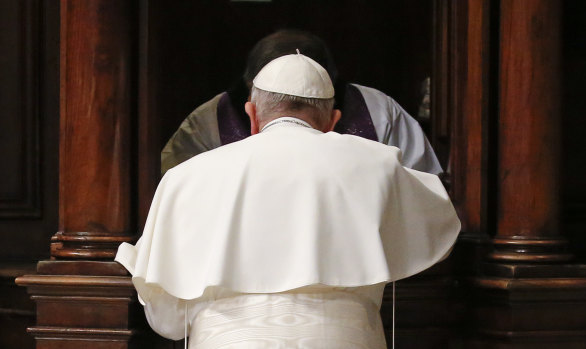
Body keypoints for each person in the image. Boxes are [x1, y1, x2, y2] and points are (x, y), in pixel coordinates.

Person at [116, 52, 460, 348]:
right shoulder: (380, 165)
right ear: (333, 121)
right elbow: (436, 233)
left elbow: (167, 318)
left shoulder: (186, 177)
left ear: (252, 116)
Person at [161, 30, 442, 176]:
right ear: (249, 97)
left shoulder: (379, 111)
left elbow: (419, 184)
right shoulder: (209, 121)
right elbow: (176, 185)